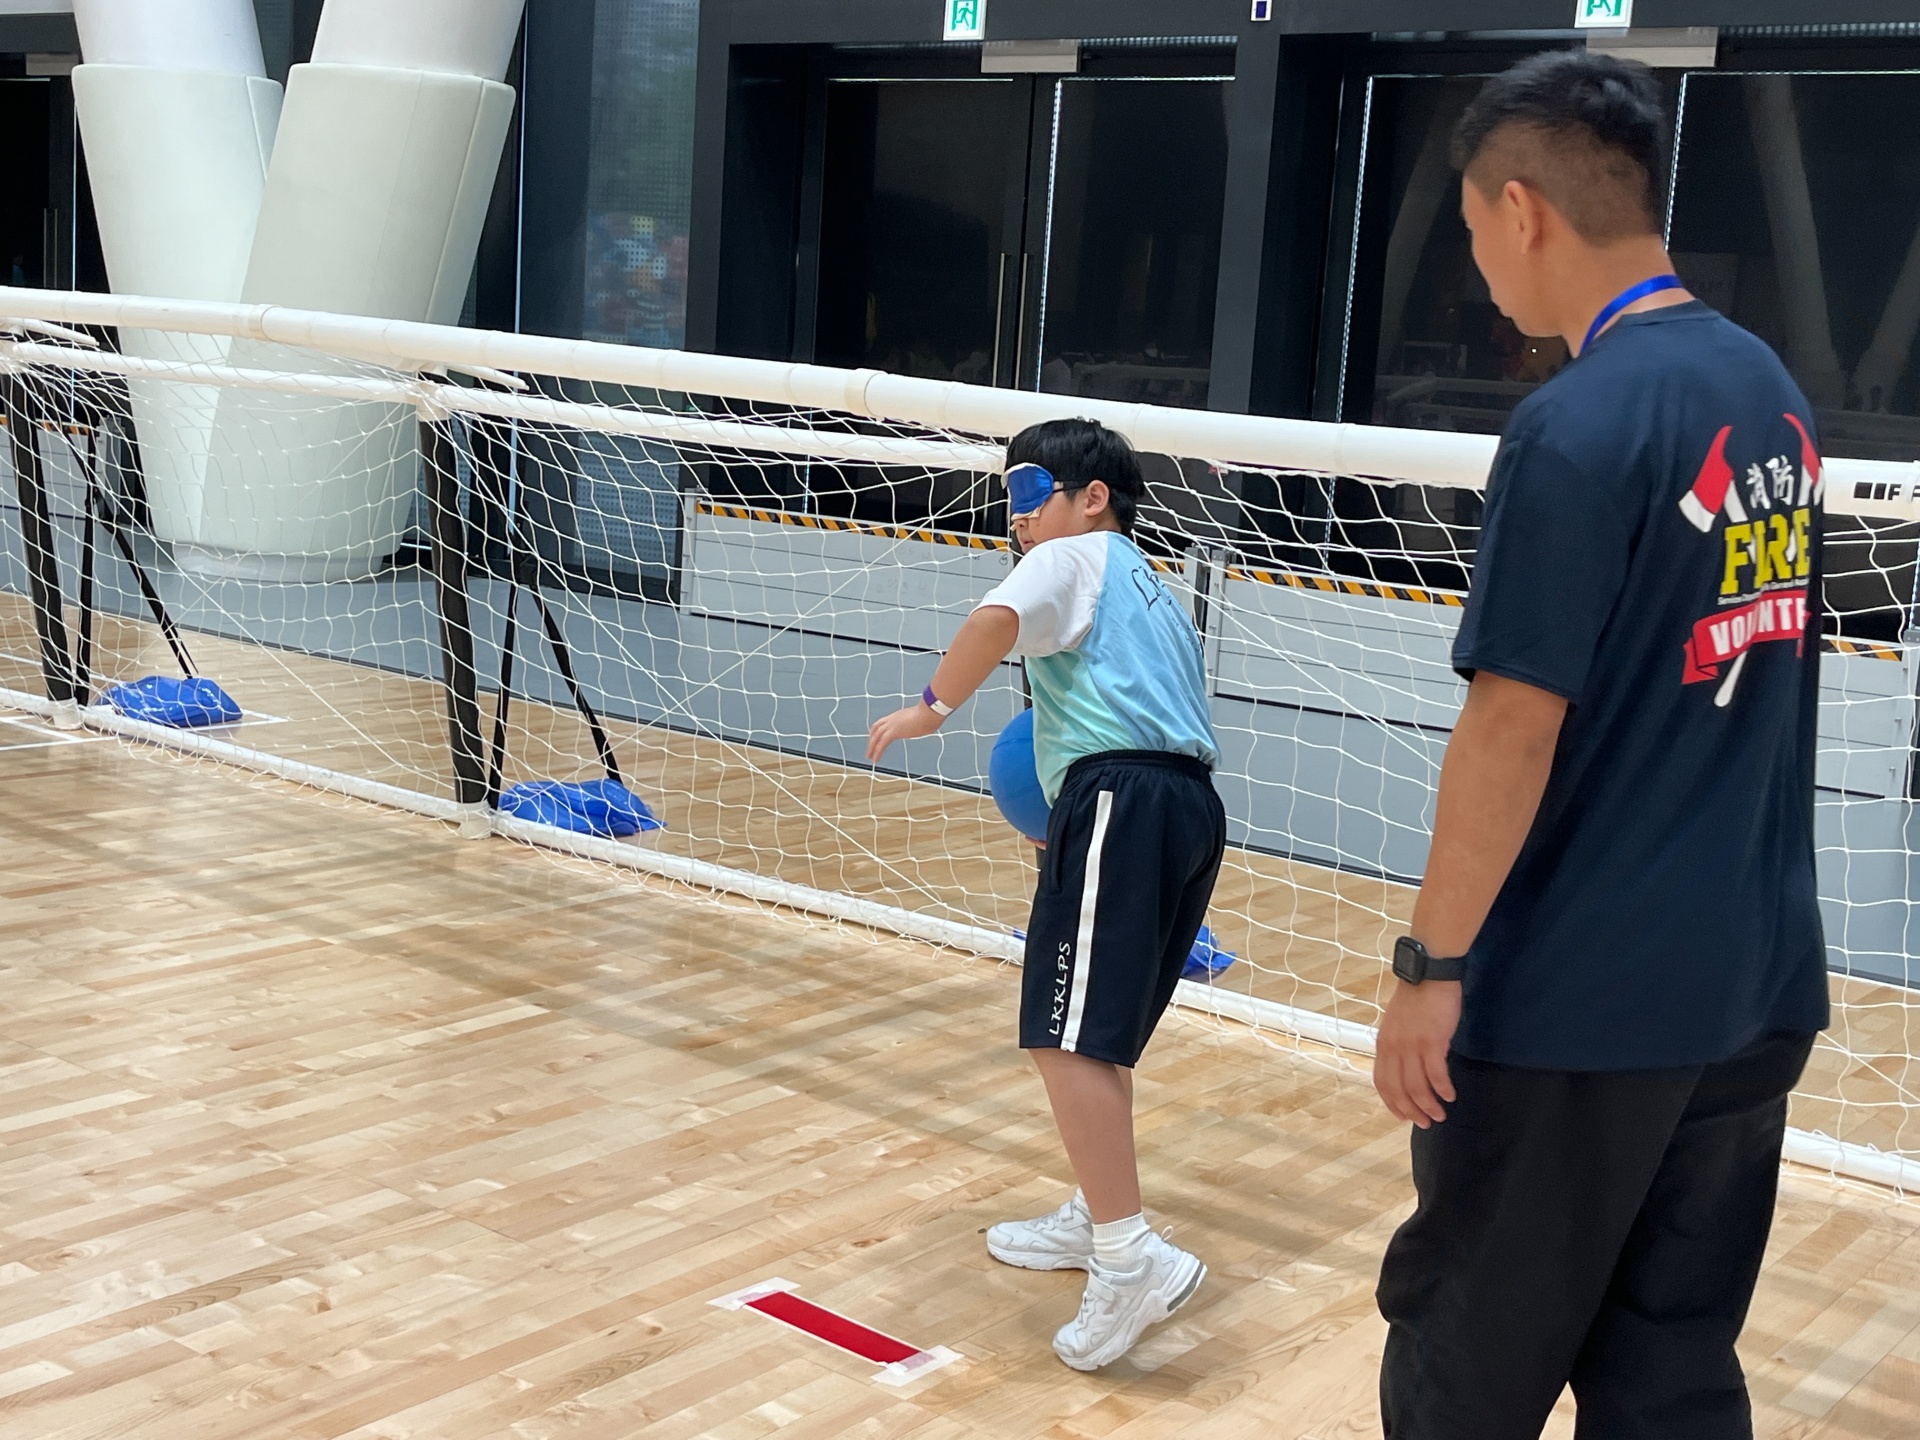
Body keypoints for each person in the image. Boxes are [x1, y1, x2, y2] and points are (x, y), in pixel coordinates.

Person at [1371, 50, 1829, 1439]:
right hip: (1749, 989)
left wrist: (1430, 966)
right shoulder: (1768, 389)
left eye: (1469, 233)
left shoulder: (1575, 427)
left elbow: (1512, 727)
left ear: (1520, 211)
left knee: (1465, 1366)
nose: (1477, 273)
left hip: (1580, 1008)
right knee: (1669, 1375)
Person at [866, 418, 1224, 1371]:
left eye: (1029, 493)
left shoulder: (1072, 557)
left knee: (1059, 1036)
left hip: (1122, 799)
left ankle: (1129, 1257)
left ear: (1092, 497)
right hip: (1183, 807)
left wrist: (929, 710)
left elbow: (992, 623)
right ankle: (1096, 1214)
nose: (1016, 518)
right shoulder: (1150, 583)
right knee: (1094, 1037)